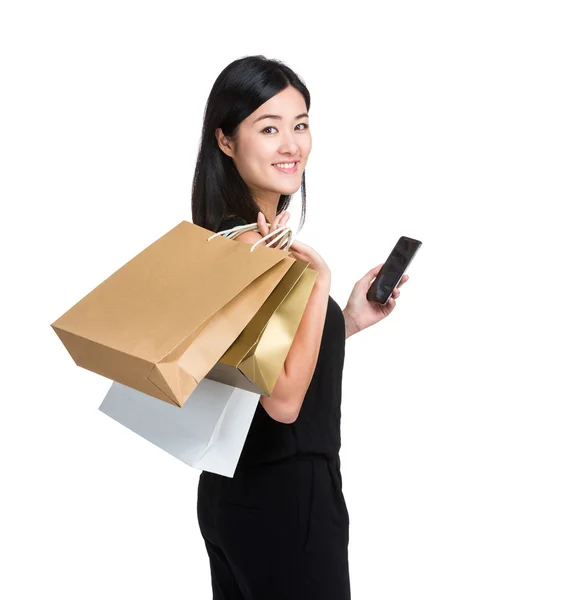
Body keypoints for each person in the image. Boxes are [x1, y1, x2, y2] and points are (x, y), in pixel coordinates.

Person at [192, 55, 408, 600]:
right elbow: (283, 400)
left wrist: (347, 318)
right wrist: (319, 282)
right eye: (269, 128)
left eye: (301, 124)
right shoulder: (255, 253)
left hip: (233, 493)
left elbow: (264, 359)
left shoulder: (222, 243)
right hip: (288, 494)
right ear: (225, 141)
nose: (291, 144)